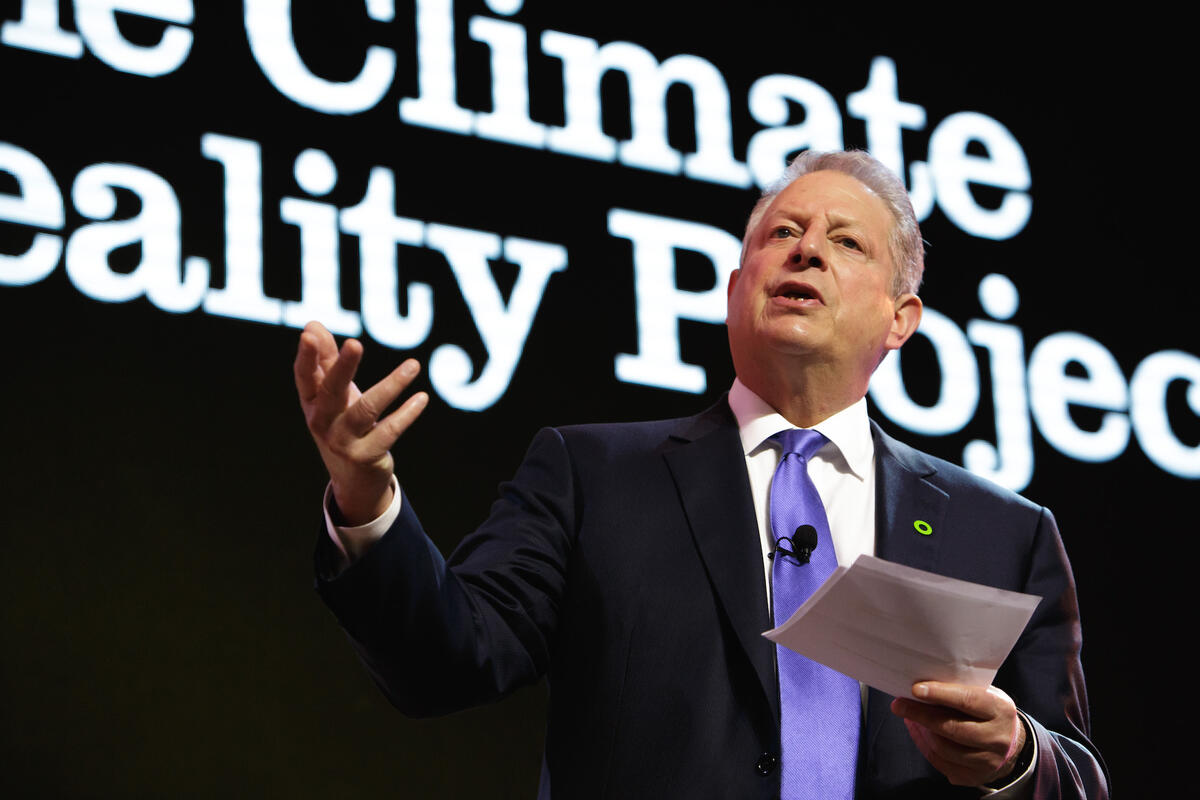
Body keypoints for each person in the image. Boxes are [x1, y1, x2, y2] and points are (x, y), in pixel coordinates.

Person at [295, 150, 1109, 799]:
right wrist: (366, 500)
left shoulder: (1002, 532)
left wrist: (1014, 757)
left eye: (845, 241)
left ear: (901, 318)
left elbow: (1077, 778)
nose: (807, 251)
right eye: (781, 235)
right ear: (735, 289)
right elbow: (447, 660)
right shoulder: (594, 476)